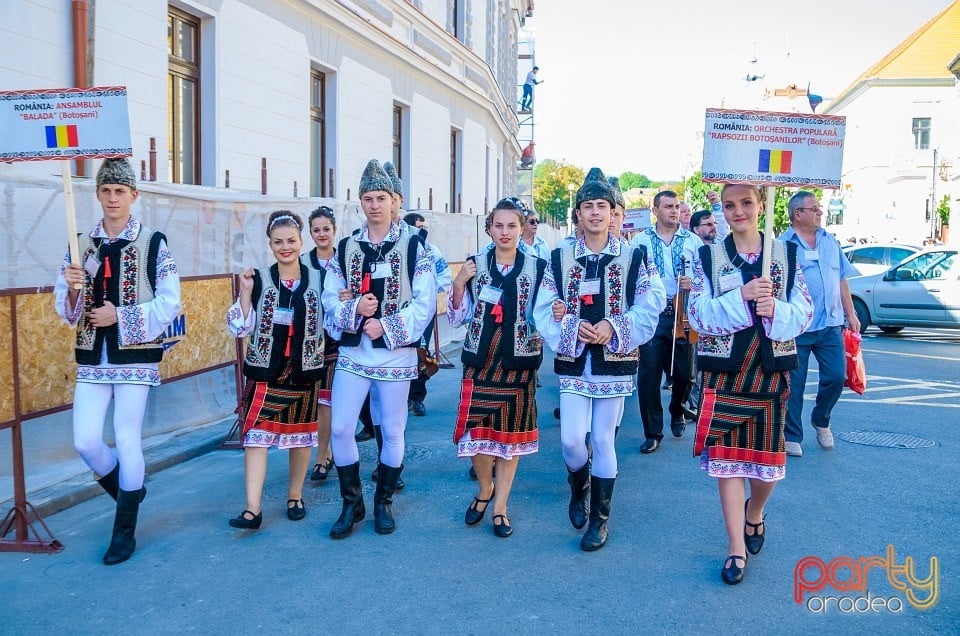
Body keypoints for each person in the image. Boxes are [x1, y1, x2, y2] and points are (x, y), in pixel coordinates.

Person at [55, 158, 182, 565]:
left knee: (127, 439)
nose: (113, 198)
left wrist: (120, 316)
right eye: (106, 191)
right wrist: (74, 291)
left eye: (120, 191)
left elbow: (170, 303)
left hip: (134, 357)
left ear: (134, 196)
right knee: (86, 441)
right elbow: (67, 310)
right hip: (93, 356)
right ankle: (131, 491)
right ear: (97, 195)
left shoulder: (154, 243)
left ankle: (123, 532)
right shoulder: (80, 244)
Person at [688, 183, 813, 585]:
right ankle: (735, 548)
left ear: (761, 204)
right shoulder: (707, 257)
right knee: (727, 464)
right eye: (728, 205)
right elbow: (698, 315)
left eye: (745, 203)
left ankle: (754, 512)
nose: (737, 211)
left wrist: (775, 307)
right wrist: (740, 296)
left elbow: (805, 312)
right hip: (724, 372)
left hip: (770, 371)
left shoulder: (787, 254)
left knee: (765, 471)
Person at [535, 168, 664, 551]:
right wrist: (570, 326)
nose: (594, 213)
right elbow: (542, 307)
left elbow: (652, 301)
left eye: (601, 206)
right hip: (575, 361)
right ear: (577, 213)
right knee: (573, 440)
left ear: (612, 212)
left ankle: (599, 521)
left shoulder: (635, 256)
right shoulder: (559, 258)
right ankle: (579, 486)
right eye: (587, 206)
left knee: (604, 439)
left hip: (616, 359)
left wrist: (614, 325)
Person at [322, 159, 437, 538]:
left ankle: (383, 502)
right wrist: (354, 308)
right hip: (355, 355)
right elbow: (327, 301)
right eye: (368, 198)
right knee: (340, 428)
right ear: (360, 203)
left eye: (381, 198)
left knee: (392, 430)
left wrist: (384, 325)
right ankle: (351, 503)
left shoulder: (413, 247)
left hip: (395, 354)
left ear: (395, 202)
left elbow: (424, 304)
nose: (374, 205)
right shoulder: (345, 248)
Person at [449, 198, 547, 537]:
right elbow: (458, 316)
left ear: (522, 229)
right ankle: (484, 489)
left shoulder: (539, 267)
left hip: (518, 363)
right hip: (480, 360)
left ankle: (501, 506)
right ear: (489, 228)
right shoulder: (475, 264)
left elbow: (546, 312)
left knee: (510, 436)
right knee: (476, 434)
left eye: (512, 226)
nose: (504, 232)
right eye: (498, 225)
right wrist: (459, 283)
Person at [226, 211, 328, 530]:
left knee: (299, 438)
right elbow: (241, 327)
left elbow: (334, 318)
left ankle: (295, 495)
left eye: (291, 241)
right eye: (278, 241)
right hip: (266, 371)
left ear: (301, 242)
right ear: (270, 244)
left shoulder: (319, 279)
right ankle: (252, 508)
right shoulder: (258, 279)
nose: (285, 247)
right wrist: (244, 292)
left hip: (303, 370)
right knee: (256, 438)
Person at [779, 191, 861, 457]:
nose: (820, 212)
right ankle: (792, 436)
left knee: (837, 377)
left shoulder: (830, 242)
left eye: (819, 208)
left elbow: (842, 280)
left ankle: (821, 419)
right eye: (814, 208)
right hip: (799, 327)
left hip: (830, 325)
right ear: (797, 214)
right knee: (796, 384)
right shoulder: (783, 244)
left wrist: (851, 315)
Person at [631, 190, 703, 450]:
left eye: (676, 206)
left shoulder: (693, 241)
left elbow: (705, 277)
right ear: (655, 211)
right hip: (653, 315)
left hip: (681, 313)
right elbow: (632, 277)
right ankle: (653, 432)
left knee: (686, 373)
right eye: (668, 206)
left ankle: (678, 407)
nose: (674, 211)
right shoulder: (640, 241)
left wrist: (692, 281)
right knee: (649, 375)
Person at [403, 210, 453, 418]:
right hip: (401, 311)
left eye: (424, 229)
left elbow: (444, 274)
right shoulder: (400, 249)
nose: (422, 233)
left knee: (421, 354)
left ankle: (417, 398)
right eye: (418, 228)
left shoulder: (432, 251)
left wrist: (431, 291)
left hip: (423, 311)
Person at [305, 206, 339, 482]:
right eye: (316, 230)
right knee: (318, 400)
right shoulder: (304, 263)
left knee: (329, 399)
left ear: (334, 230)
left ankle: (323, 455)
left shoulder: (345, 260)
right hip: (310, 339)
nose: (321, 234)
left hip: (339, 339)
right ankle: (324, 451)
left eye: (326, 229)